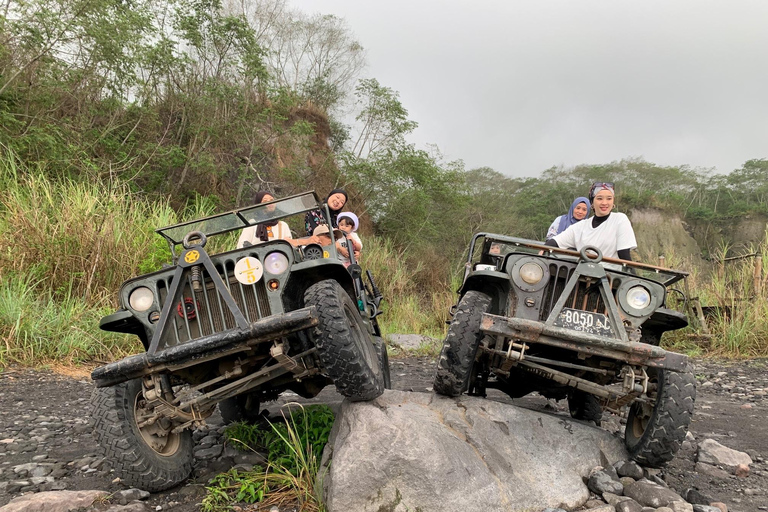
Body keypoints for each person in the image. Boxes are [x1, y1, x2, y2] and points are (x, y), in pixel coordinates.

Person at [544, 182, 636, 261]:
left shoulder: (620, 219)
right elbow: (555, 242)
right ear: (592, 202)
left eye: (609, 198)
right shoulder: (581, 226)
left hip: (609, 277)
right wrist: (543, 252)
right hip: (581, 274)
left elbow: (624, 254)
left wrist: (633, 277)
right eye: (599, 198)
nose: (604, 203)